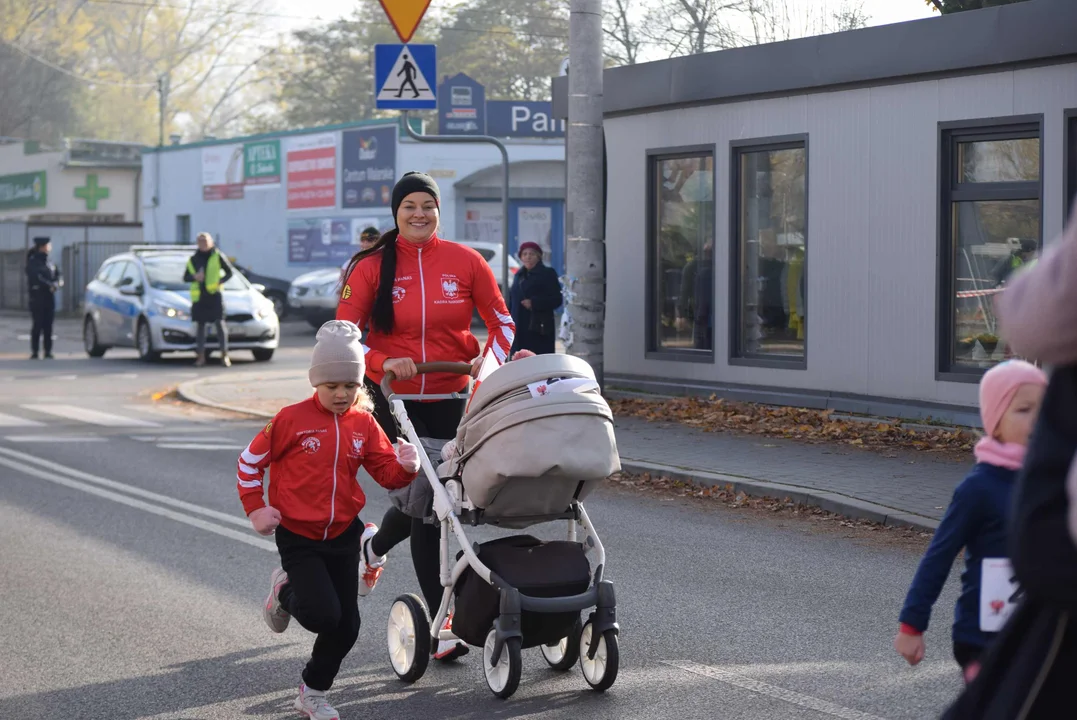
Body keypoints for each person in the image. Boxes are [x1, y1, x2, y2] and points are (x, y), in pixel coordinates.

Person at [337, 171, 514, 661]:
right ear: (396, 212)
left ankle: (370, 549)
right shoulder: (372, 267)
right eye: (409, 205)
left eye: (428, 206)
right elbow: (344, 333)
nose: (419, 213)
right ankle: (443, 625)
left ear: (439, 211)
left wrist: (488, 366)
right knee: (430, 502)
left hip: (454, 394)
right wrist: (379, 362)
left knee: (437, 495)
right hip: (392, 397)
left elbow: (501, 321)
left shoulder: (465, 261)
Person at [237, 320, 421, 720]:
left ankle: (313, 692)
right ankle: (285, 591)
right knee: (323, 615)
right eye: (331, 385)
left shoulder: (363, 423)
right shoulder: (290, 419)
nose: (341, 394)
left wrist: (406, 467)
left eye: (350, 386)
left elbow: (385, 473)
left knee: (347, 626)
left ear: (359, 385)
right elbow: (250, 462)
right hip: (299, 535)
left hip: (342, 533)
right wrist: (255, 508)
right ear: (315, 382)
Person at [894, 360, 1047, 684]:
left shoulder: (1052, 481)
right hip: (983, 639)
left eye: (1042, 409)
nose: (1036, 420)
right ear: (996, 421)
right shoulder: (978, 488)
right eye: (1023, 410)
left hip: (1037, 633)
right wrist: (912, 625)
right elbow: (939, 555)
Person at [183, 232, 233, 368]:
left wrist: (220, 281)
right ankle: (200, 357)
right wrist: (195, 277)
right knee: (200, 328)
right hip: (200, 297)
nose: (203, 244)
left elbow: (230, 272)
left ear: (211, 242)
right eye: (200, 241)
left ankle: (224, 355)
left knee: (220, 325)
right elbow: (185, 277)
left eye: (205, 241)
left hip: (214, 296)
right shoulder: (193, 259)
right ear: (197, 243)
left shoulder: (217, 256)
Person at [508, 241, 562, 356]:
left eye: (531, 254)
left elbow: (557, 299)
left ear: (538, 256)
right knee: (518, 361)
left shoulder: (548, 273)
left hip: (538, 328)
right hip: (519, 327)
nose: (528, 257)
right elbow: (512, 298)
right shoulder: (519, 275)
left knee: (538, 363)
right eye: (525, 254)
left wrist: (534, 303)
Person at [25, 236, 62, 360]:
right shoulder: (33, 261)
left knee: (48, 325)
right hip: (38, 297)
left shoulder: (50, 262)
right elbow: (36, 277)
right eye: (48, 245)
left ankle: (48, 350)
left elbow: (58, 275)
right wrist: (49, 285)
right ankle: (35, 351)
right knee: (38, 324)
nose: (50, 247)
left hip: (49, 297)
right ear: (42, 246)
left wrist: (57, 284)